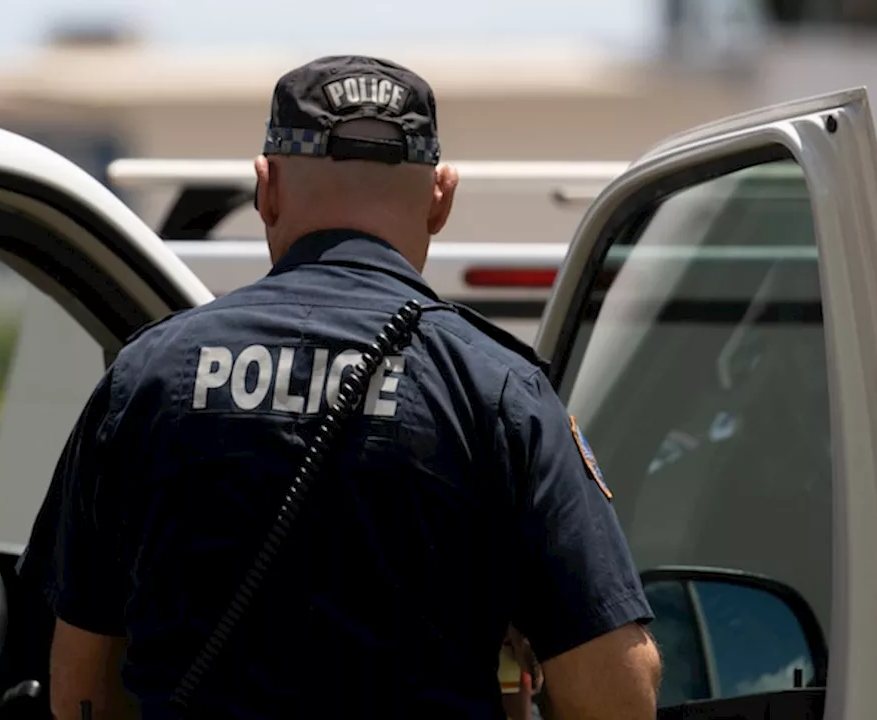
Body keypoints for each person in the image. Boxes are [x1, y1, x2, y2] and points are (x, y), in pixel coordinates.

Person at [40, 55, 662, 720]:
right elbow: (617, 693)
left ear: (267, 189)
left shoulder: (146, 378)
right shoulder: (498, 389)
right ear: (442, 198)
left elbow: (82, 687)